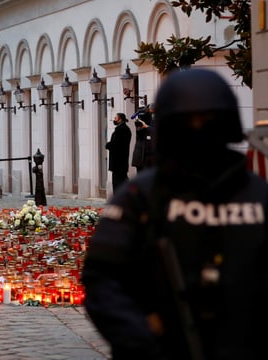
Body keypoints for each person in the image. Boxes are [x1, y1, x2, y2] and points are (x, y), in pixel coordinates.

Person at [82, 69, 268, 359]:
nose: (199, 131)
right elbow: (102, 280)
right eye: (188, 124)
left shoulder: (258, 195)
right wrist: (143, 338)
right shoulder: (139, 198)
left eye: (209, 122)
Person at [105, 112, 131, 193]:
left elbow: (115, 144)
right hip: (120, 162)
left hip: (118, 162)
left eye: (115, 118)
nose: (114, 120)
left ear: (120, 119)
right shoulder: (123, 129)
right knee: (122, 181)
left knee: (118, 183)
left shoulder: (121, 130)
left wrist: (108, 145)